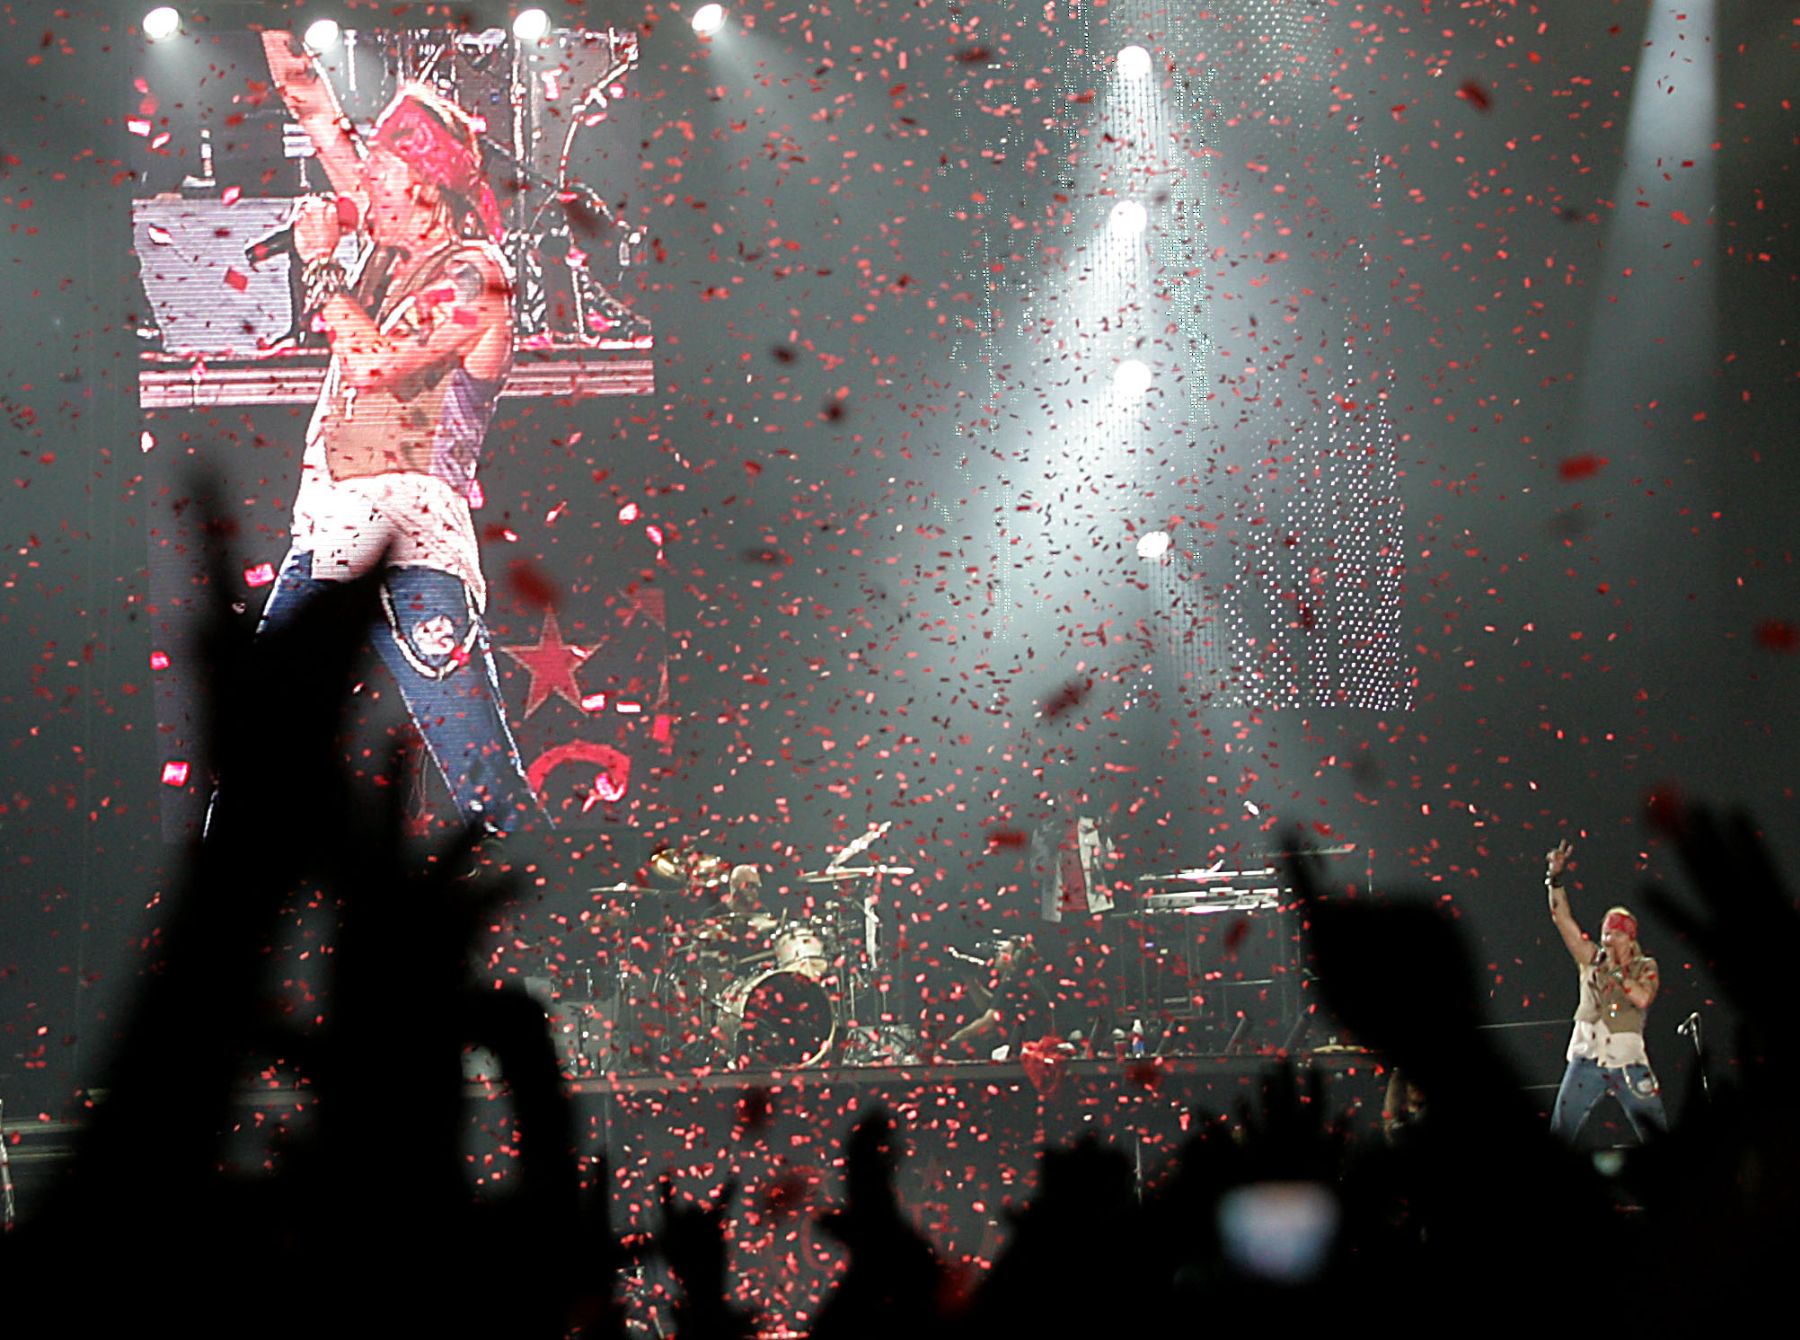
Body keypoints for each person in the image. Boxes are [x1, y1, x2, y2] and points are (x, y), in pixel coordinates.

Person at [257, 32, 540, 834]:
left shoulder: (475, 274)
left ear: (421, 186)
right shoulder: (387, 240)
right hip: (328, 534)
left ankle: (570, 941)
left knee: (482, 779)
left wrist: (320, 264)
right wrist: (269, 23)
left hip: (413, 545)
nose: (359, 186)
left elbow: (377, 364)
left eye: (378, 172)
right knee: (258, 747)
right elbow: (308, 99)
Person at [1543, 839, 1667, 1142]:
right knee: (1560, 1131)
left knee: (1658, 1136)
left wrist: (1614, 970)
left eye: (1613, 934)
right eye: (1605, 933)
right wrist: (1554, 880)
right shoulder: (1591, 959)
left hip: (1629, 1063)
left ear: (1628, 938)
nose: (1607, 939)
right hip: (1587, 1059)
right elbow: (1563, 921)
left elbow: (1642, 997)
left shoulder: (1644, 966)